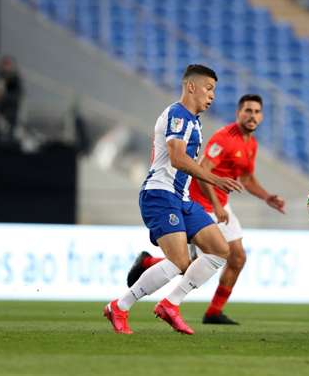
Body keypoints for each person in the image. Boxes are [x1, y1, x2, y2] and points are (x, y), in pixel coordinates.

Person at [103, 64, 242, 335]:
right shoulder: (178, 115)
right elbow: (177, 159)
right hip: (160, 194)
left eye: (215, 90)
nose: (212, 96)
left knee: (219, 249)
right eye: (209, 88)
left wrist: (212, 197)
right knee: (179, 262)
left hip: (182, 198)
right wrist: (215, 179)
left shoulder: (194, 122)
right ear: (191, 86)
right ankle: (119, 307)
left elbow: (189, 163)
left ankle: (171, 304)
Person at [126, 94, 285, 325]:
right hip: (202, 202)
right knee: (191, 264)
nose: (252, 116)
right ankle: (148, 265)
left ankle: (213, 312)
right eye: (247, 111)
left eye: (257, 112)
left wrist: (267, 196)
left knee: (237, 257)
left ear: (262, 116)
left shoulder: (250, 143)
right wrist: (217, 205)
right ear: (238, 113)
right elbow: (203, 171)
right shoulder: (225, 139)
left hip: (221, 204)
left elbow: (248, 178)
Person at [0, 55, 23, 140]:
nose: (5, 67)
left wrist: (4, 96)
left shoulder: (15, 79)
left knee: (9, 134)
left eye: (7, 64)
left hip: (10, 111)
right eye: (4, 64)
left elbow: (17, 94)